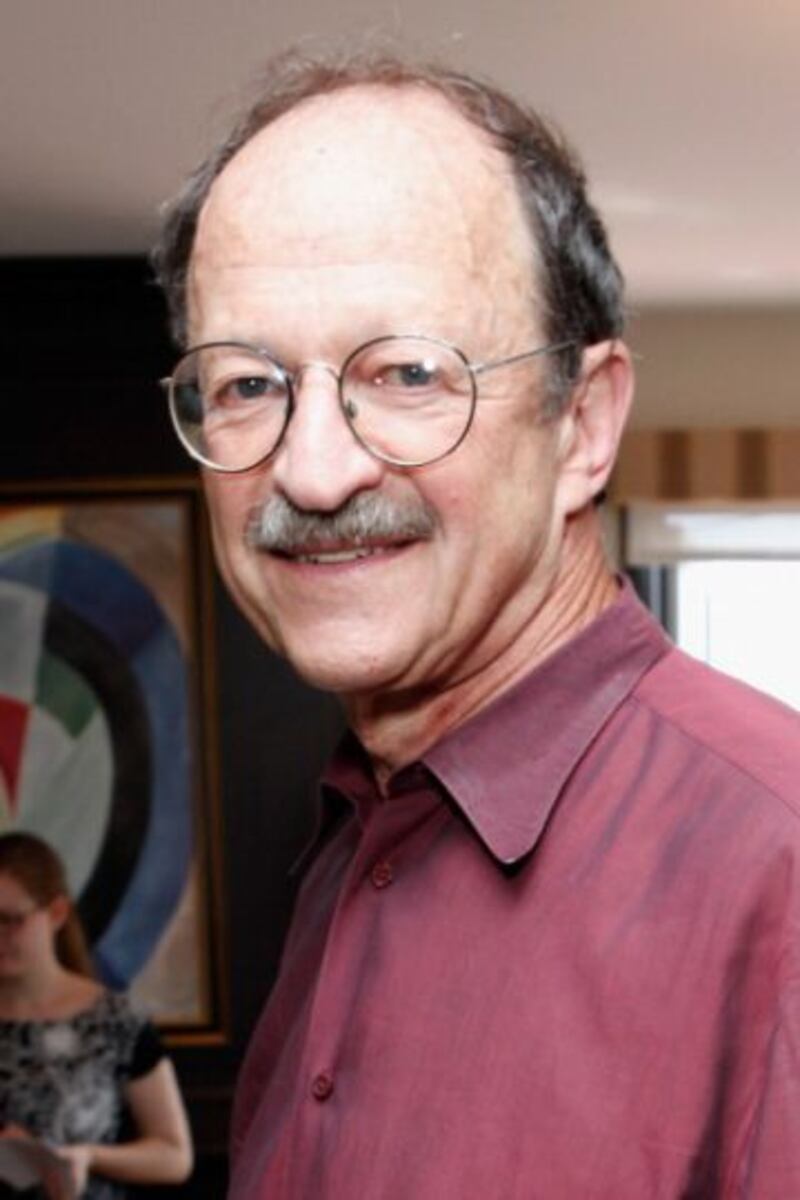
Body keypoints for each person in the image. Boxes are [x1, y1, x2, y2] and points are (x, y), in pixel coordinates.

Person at [152, 48, 800, 1198]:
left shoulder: (774, 870)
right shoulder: (351, 839)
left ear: (581, 425)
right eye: (247, 384)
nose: (311, 471)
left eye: (406, 373)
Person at [0, 832, 193, 1198]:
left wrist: (88, 1156)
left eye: (11, 920)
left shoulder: (116, 1020)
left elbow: (174, 1156)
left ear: (56, 913)